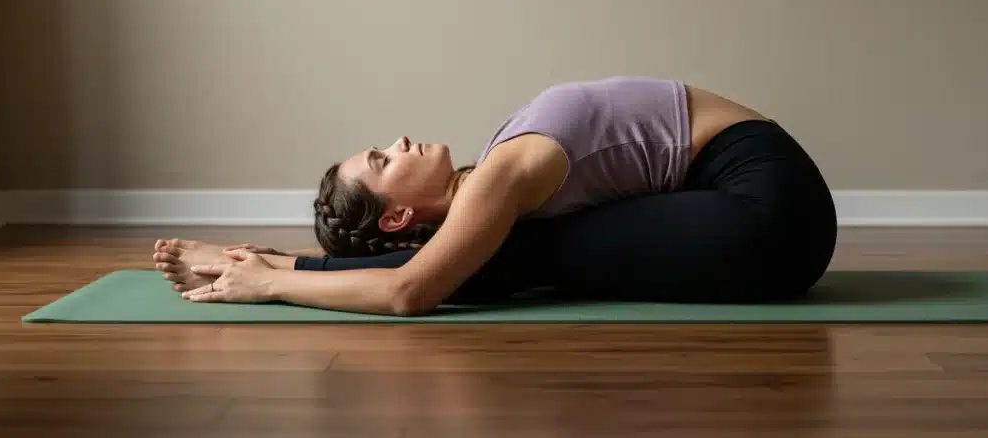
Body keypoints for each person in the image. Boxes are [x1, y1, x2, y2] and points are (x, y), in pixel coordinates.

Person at [152, 76, 837, 315]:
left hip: (772, 212)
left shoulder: (503, 173)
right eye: (383, 159)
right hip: (761, 211)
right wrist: (273, 273)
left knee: (522, 256)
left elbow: (408, 291)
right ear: (397, 214)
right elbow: (417, 282)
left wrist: (272, 283)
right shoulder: (497, 180)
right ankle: (274, 264)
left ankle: (274, 266)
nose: (400, 139)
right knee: (505, 256)